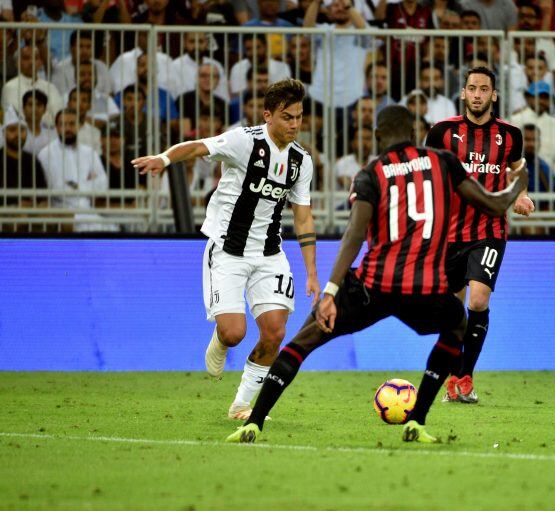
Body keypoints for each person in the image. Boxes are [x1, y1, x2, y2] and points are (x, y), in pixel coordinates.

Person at [225, 104, 530, 444]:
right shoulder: (443, 162)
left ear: (377, 137)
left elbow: (354, 235)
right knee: (458, 324)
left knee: (304, 340)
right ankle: (417, 420)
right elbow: (495, 204)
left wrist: (330, 292)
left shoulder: (372, 173)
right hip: (424, 287)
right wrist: (521, 183)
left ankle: (254, 421)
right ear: (414, 133)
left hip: (373, 285)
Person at [131, 79, 320, 421]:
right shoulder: (243, 141)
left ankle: (241, 405)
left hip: (269, 254)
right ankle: (220, 337)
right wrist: (164, 158)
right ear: (268, 115)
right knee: (235, 333)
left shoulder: (301, 162)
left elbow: (304, 219)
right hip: (228, 250)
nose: (294, 124)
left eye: (299, 117)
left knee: (275, 331)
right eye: (287, 117)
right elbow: (197, 147)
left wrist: (312, 273)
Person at [425, 67, 534, 404]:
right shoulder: (442, 132)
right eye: (472, 88)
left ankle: (464, 377)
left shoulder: (510, 134)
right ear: (463, 93)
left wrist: (519, 195)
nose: (477, 95)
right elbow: (426, 170)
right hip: (450, 233)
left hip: (490, 229)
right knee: (453, 310)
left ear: (494, 95)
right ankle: (453, 375)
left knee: (478, 300)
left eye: (483, 89)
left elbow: (518, 171)